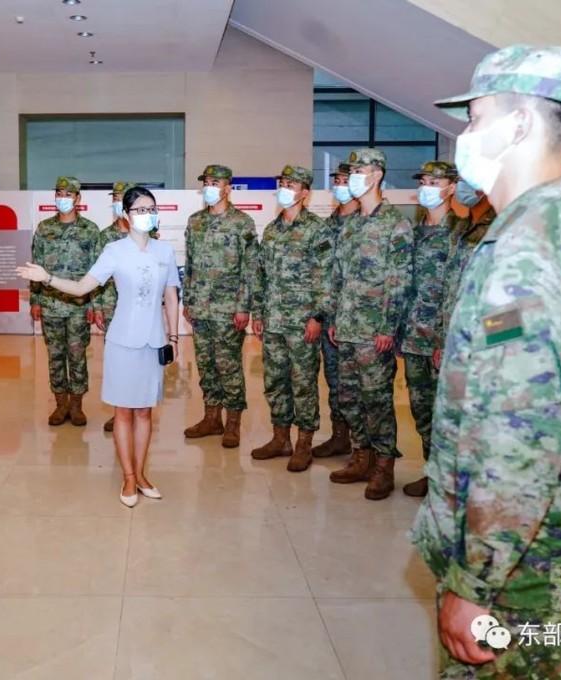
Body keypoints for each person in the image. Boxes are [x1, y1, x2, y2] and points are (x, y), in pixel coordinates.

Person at [409, 45, 561, 679]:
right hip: (553, 555)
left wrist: (475, 584)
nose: (465, 135)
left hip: (524, 576)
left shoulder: (530, 250)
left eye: (475, 118)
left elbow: (516, 437)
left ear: (520, 124)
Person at [17, 186, 180, 508]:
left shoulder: (166, 252)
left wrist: (173, 337)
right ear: (125, 215)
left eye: (151, 209)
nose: (146, 215)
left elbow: (171, 296)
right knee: (123, 412)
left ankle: (143, 473)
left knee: (145, 412)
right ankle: (129, 477)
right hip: (122, 340)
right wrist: (47, 277)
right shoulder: (114, 251)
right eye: (139, 210)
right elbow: (80, 288)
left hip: (153, 341)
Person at [326, 148, 413, 500]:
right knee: (348, 398)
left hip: (373, 331)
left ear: (377, 174)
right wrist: (332, 317)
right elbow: (338, 277)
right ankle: (360, 456)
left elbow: (399, 280)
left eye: (360, 170)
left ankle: (383, 465)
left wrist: (388, 329)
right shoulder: (349, 225)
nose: (354, 177)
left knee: (376, 401)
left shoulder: (395, 223)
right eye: (352, 171)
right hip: (345, 328)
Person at [250, 165, 333, 471]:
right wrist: (258, 312)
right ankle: (280, 438)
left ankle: (303, 443)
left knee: (303, 383)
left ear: (305, 193)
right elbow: (261, 275)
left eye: (292, 184)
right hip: (272, 320)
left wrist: (317, 317)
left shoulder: (317, 230)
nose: (285, 187)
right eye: (282, 182)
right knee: (275, 381)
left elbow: (326, 278)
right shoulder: (272, 230)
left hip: (302, 323)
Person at [400, 161, 466, 498]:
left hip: (443, 339)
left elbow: (459, 292)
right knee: (421, 410)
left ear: (451, 187)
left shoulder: (462, 233)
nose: (427, 186)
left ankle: (450, 481)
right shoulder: (412, 232)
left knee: (447, 412)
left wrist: (445, 338)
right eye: (424, 180)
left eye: (435, 181)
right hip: (413, 336)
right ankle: (431, 470)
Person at [182, 164, 258, 449]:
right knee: (206, 364)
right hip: (200, 306)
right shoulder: (195, 221)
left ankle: (233, 423)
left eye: (216, 182)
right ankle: (211, 418)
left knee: (229, 366)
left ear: (228, 187)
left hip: (228, 308)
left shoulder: (242, 223)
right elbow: (189, 264)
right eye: (207, 182)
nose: (210, 187)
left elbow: (250, 269)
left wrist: (243, 307)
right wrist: (188, 299)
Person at [30, 176, 100, 427]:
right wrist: (35, 300)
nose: (63, 198)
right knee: (56, 356)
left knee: (77, 354)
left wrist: (93, 305)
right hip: (50, 304)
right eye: (60, 193)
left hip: (79, 306)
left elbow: (96, 272)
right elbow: (35, 266)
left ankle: (77, 406)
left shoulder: (90, 230)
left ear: (78, 199)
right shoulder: (44, 228)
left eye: (69, 194)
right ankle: (60, 405)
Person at [310, 163, 358, 460]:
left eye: (345, 180)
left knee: (360, 387)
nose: (340, 185)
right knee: (335, 381)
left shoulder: (367, 224)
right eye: (336, 180)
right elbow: (321, 274)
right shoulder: (327, 226)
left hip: (357, 321)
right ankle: (340, 437)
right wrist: (320, 313)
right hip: (330, 319)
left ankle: (365, 446)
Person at [433, 180, 497, 371]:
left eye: (469, 181)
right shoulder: (460, 229)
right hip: (451, 340)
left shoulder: (500, 229)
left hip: (480, 349)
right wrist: (440, 341)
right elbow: (448, 288)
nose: (463, 188)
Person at [96, 181, 136, 433]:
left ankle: (138, 408)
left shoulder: (146, 233)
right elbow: (98, 278)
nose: (118, 201)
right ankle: (119, 413)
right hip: (112, 308)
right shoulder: (105, 236)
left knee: (139, 361)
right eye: (116, 197)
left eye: (124, 197)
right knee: (117, 363)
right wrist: (99, 307)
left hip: (137, 309)